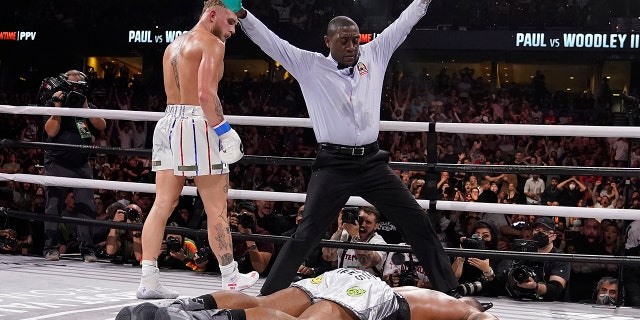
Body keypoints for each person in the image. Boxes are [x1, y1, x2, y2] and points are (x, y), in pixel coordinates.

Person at [235, 0, 460, 296]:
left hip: (372, 162)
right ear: (328, 41)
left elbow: (404, 24)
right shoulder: (310, 65)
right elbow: (271, 42)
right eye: (344, 40)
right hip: (333, 165)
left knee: (417, 221)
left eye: (355, 39)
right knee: (306, 234)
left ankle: (453, 293)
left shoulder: (375, 54)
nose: (352, 45)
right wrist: (240, 13)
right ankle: (268, 296)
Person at [136, 0, 258, 299]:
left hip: (168, 122)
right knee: (217, 207)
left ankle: (149, 281)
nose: (232, 30)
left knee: (162, 204)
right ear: (213, 13)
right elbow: (205, 94)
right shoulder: (212, 44)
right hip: (197, 125)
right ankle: (230, 277)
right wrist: (225, 131)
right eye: (231, 22)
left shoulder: (174, 45)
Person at [117, 268, 499, 320]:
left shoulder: (424, 298)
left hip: (346, 279)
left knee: (264, 303)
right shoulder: (452, 307)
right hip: (368, 293)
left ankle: (184, 309)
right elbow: (483, 317)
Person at [42, 69, 106, 263]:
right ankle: (50, 248)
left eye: (78, 85)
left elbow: (101, 125)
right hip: (57, 161)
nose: (74, 89)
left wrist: (85, 108)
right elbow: (51, 131)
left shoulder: (85, 104)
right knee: (53, 205)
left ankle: (87, 249)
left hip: (81, 162)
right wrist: (58, 108)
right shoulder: (53, 102)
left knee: (86, 206)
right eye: (71, 84)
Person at [504, 216, 570, 301]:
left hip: (550, 306)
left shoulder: (559, 257)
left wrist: (535, 286)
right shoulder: (523, 252)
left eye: (545, 231)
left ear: (554, 236)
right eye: (537, 230)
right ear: (532, 233)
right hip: (519, 301)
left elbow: (556, 289)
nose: (540, 234)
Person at [322, 206, 388, 277]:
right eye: (361, 220)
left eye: (368, 222)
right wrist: (340, 229)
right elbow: (327, 256)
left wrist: (355, 237)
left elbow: (367, 263)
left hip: (366, 286)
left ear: (376, 226)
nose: (363, 225)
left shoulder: (378, 242)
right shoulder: (344, 235)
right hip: (344, 283)